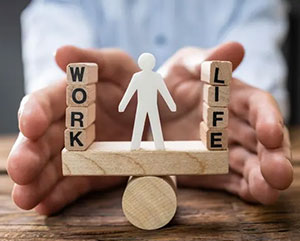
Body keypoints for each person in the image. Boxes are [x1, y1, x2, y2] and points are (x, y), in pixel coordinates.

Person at [7, 0, 293, 215]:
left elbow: (258, 33)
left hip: (158, 109)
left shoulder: (153, 77)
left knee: (153, 127)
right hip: (131, 111)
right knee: (142, 128)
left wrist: (245, 104)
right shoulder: (147, 76)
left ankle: (149, 141)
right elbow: (55, 23)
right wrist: (111, 103)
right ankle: (140, 141)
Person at [119, 53, 176, 150]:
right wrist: (122, 105)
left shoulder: (156, 77)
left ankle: (158, 146)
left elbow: (164, 91)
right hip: (142, 105)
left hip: (151, 106)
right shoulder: (137, 77)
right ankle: (136, 146)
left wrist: (171, 105)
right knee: (140, 125)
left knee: (154, 125)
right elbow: (130, 91)